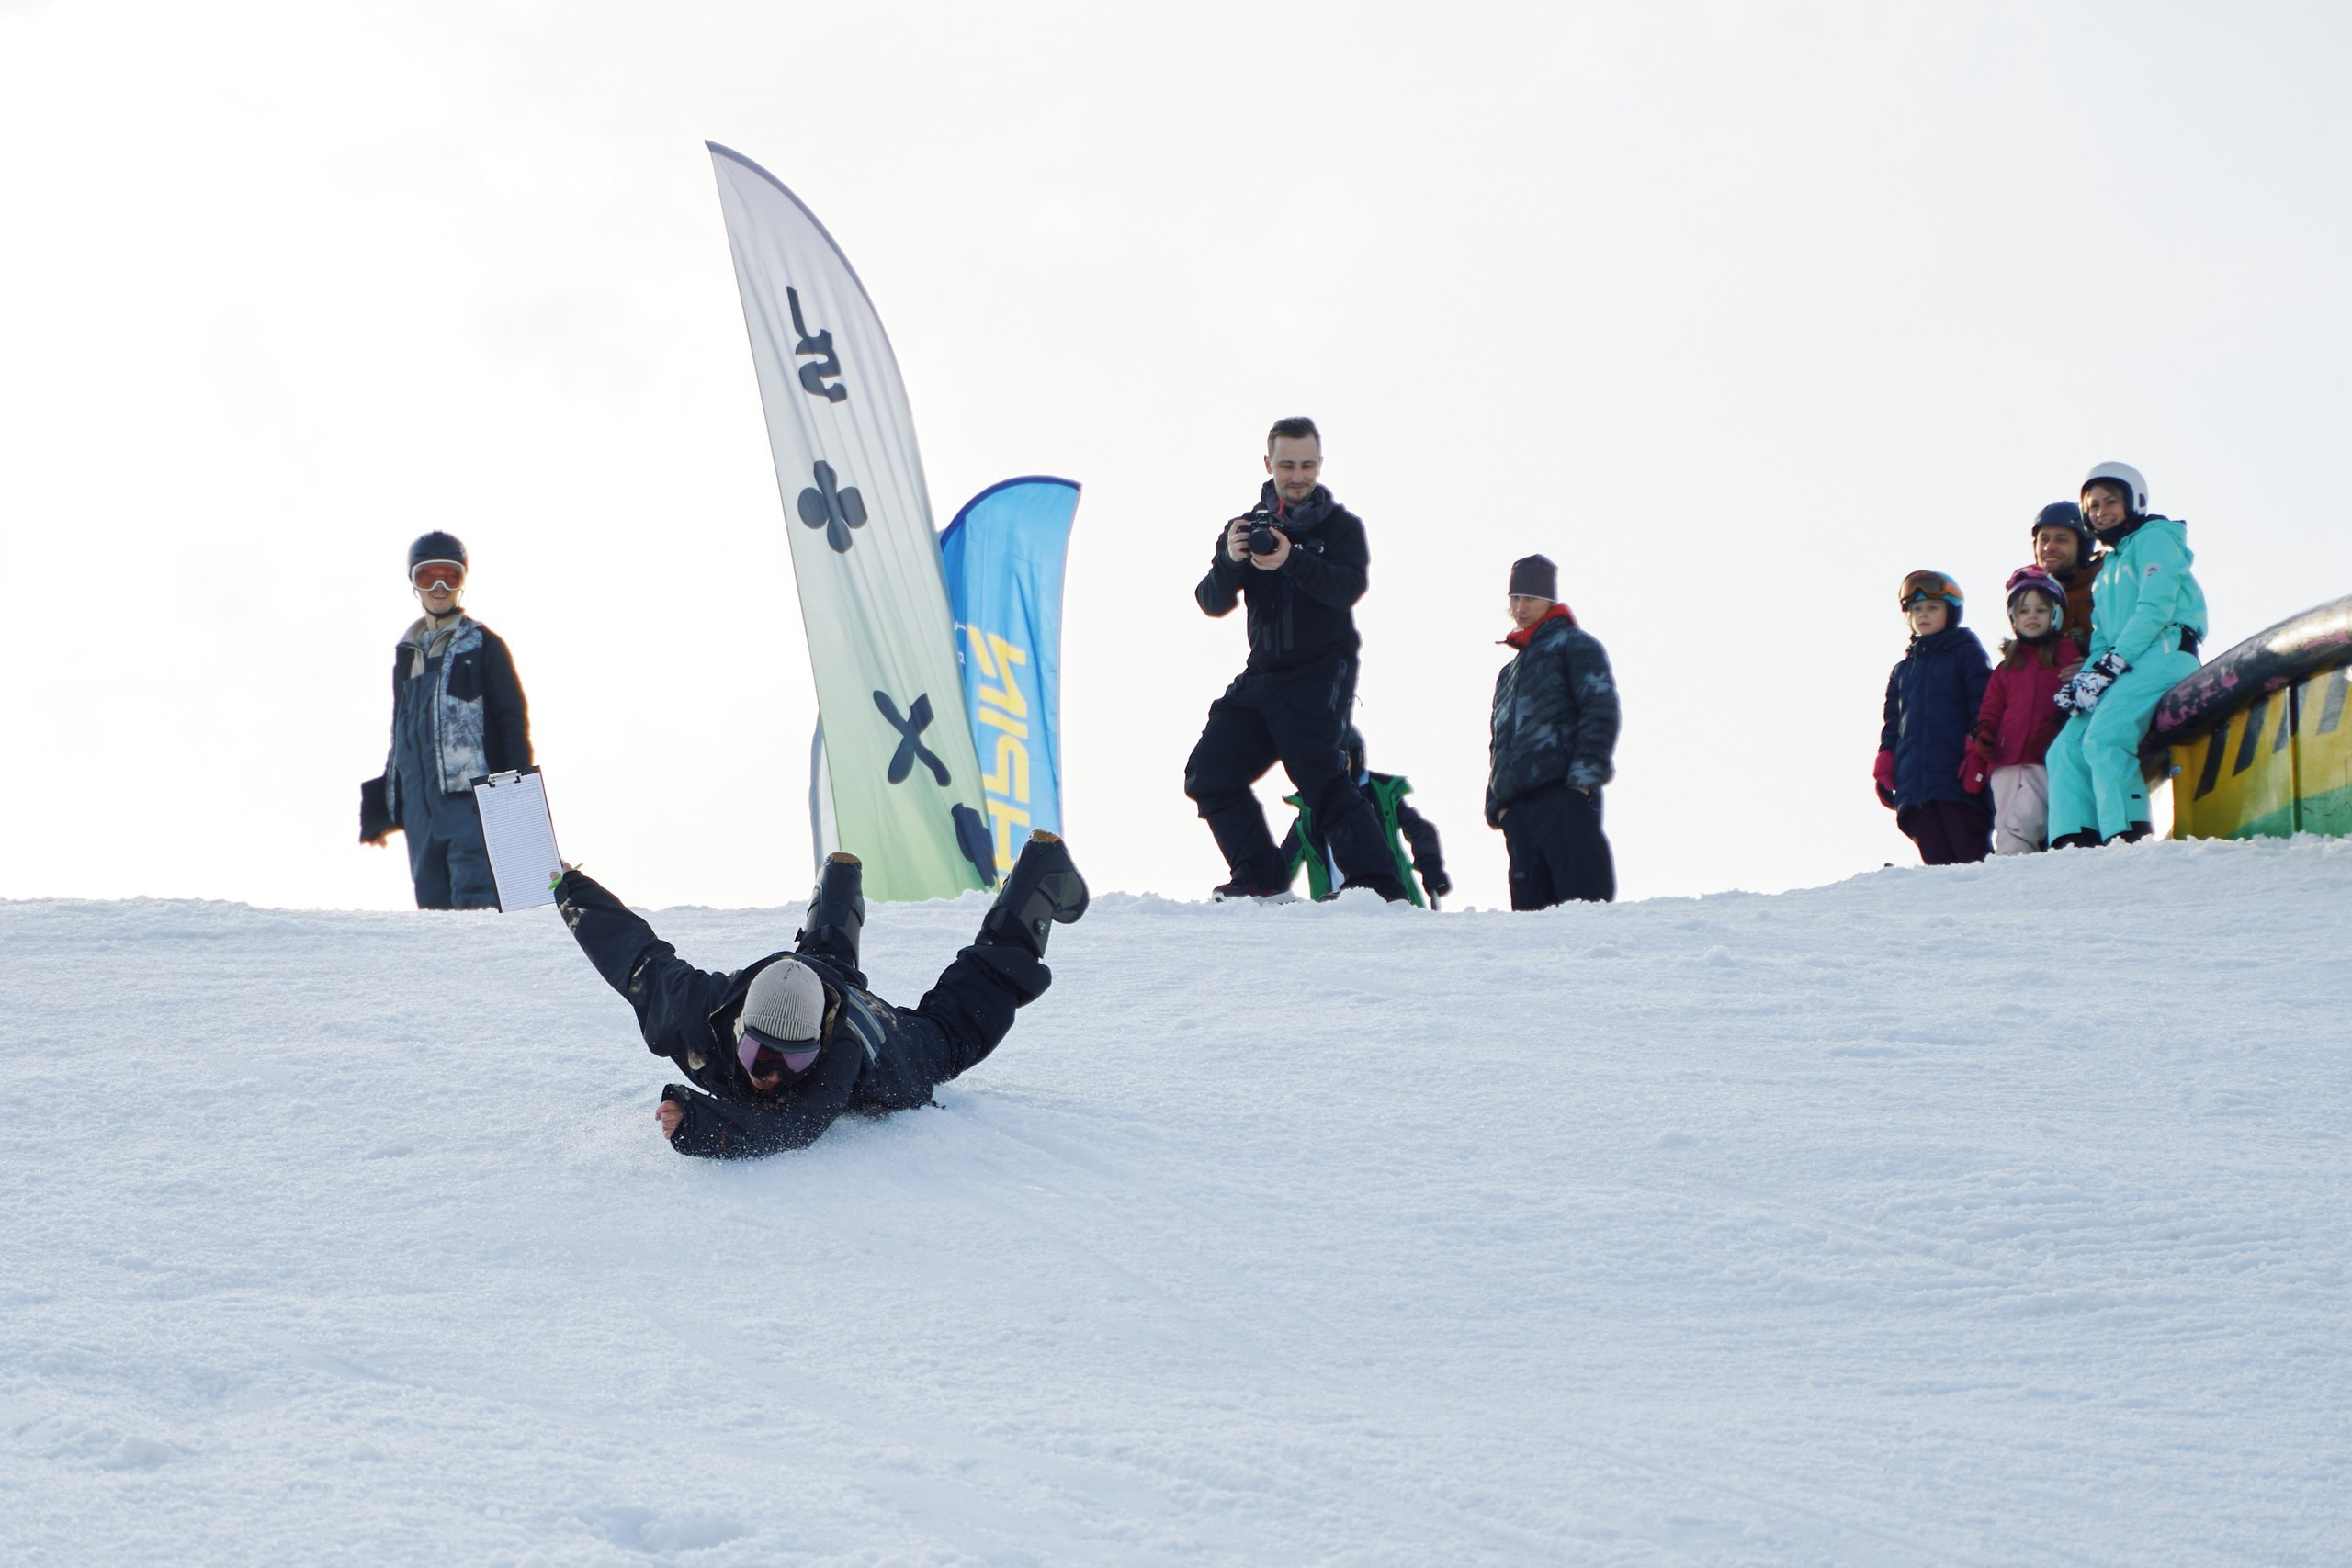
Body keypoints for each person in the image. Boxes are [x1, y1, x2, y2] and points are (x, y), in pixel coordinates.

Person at [555, 832, 1090, 1158]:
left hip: (873, 1029)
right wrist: (567, 887)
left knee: (958, 1028)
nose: (769, 1076)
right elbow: (633, 955)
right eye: (759, 1055)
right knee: (820, 964)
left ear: (817, 1051)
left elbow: (789, 1126)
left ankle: (1037, 881)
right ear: (736, 1030)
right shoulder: (696, 1007)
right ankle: (837, 880)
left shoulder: (843, 1059)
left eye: (790, 1063)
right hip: (803, 977)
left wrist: (696, 1121)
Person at [1184, 417, 1411, 902]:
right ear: (1268, 464)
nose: (1298, 475)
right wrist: (1230, 559)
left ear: (1320, 465)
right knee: (1209, 771)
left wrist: (1293, 560)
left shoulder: (1342, 528)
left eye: (1307, 464)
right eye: (1287, 464)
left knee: (1320, 776)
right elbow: (1210, 601)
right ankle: (1260, 878)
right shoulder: (1244, 528)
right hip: (1263, 674)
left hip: (1321, 671)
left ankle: (1377, 889)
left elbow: (1347, 588)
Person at [360, 533, 532, 909]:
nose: (439, 588)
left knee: (477, 900)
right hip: (420, 809)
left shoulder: (483, 646)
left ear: (462, 582)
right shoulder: (407, 655)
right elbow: (401, 732)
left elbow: (511, 721)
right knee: (433, 909)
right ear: (414, 584)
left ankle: (486, 965)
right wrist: (384, 807)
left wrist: (518, 795)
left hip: (469, 799)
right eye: (428, 577)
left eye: (449, 577)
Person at [2045, 462, 2207, 848]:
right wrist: (2090, 674)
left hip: (2166, 650)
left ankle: (2127, 832)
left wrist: (2112, 664)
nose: (2102, 511)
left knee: (2104, 737)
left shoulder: (2155, 539)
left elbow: (2155, 607)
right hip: (2124, 662)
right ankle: (2076, 839)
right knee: (2065, 748)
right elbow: (2102, 637)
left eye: (2111, 502)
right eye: (2094, 505)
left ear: (2133, 501)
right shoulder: (2107, 571)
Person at [1486, 554, 1620, 908]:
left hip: (1563, 798)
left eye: (1529, 598)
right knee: (1531, 929)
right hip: (1519, 813)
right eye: (1515, 598)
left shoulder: (1576, 646)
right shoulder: (1508, 673)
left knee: (1582, 911)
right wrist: (1498, 803)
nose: (1520, 606)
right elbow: (1498, 741)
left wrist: (1580, 784)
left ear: (1549, 601)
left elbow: (1600, 711)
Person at [1875, 570, 1993, 865]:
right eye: (1916, 609)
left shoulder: (1965, 653)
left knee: (1966, 846)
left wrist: (1977, 746)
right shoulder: (1902, 671)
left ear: (1950, 611)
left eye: (1932, 608)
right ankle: (1944, 903)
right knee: (1933, 849)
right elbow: (1893, 722)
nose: (1923, 615)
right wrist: (1886, 758)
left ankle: (1986, 900)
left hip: (1957, 777)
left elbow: (1981, 701)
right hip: (1915, 782)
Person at [1962, 568, 2082, 855]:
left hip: (2041, 755)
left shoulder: (2066, 654)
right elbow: (1991, 708)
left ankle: (2012, 865)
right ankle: (2013, 870)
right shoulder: (2007, 666)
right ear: (2014, 617)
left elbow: (2077, 696)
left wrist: (2057, 723)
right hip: (2004, 758)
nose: (2032, 616)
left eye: (2040, 610)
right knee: (2005, 820)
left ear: (2054, 615)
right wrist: (1985, 734)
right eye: (2024, 610)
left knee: (2030, 816)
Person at [1277, 725, 1453, 907]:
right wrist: (1271, 886)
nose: (1338, 765)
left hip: (1393, 901)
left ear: (1356, 757)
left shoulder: (1382, 795)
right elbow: (1288, 857)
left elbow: (1420, 830)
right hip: (1337, 910)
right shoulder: (1311, 811)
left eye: (1342, 757)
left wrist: (1430, 865)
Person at [2030, 501, 2101, 651]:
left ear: (2082, 547)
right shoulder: (2028, 594)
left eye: (2061, 539)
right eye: (2044, 539)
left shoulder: (2104, 586)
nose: (2049, 547)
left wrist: (2089, 659)